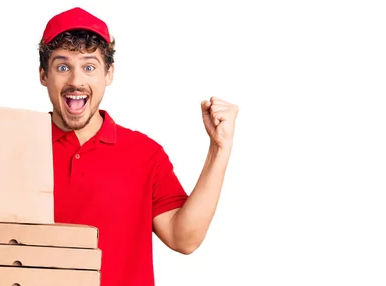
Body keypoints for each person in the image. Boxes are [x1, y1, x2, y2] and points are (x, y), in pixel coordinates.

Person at [38, 7, 239, 286]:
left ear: (108, 74)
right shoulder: (16, 148)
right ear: (43, 75)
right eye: (62, 67)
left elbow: (184, 238)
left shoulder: (144, 154)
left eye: (89, 67)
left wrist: (220, 149)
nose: (76, 81)